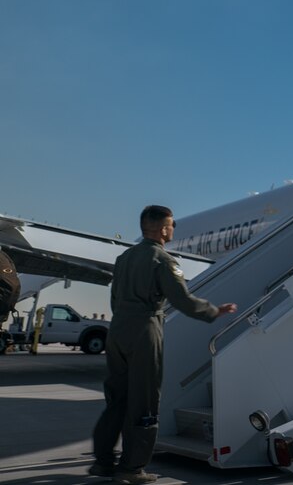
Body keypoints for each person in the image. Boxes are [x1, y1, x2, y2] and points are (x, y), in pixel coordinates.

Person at [90, 205, 237, 484]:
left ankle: (103, 462)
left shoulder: (124, 258)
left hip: (118, 328)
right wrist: (213, 311)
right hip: (145, 329)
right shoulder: (163, 260)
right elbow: (181, 300)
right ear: (161, 229)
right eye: (171, 225)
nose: (172, 229)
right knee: (145, 401)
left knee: (116, 400)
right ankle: (132, 468)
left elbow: (114, 298)